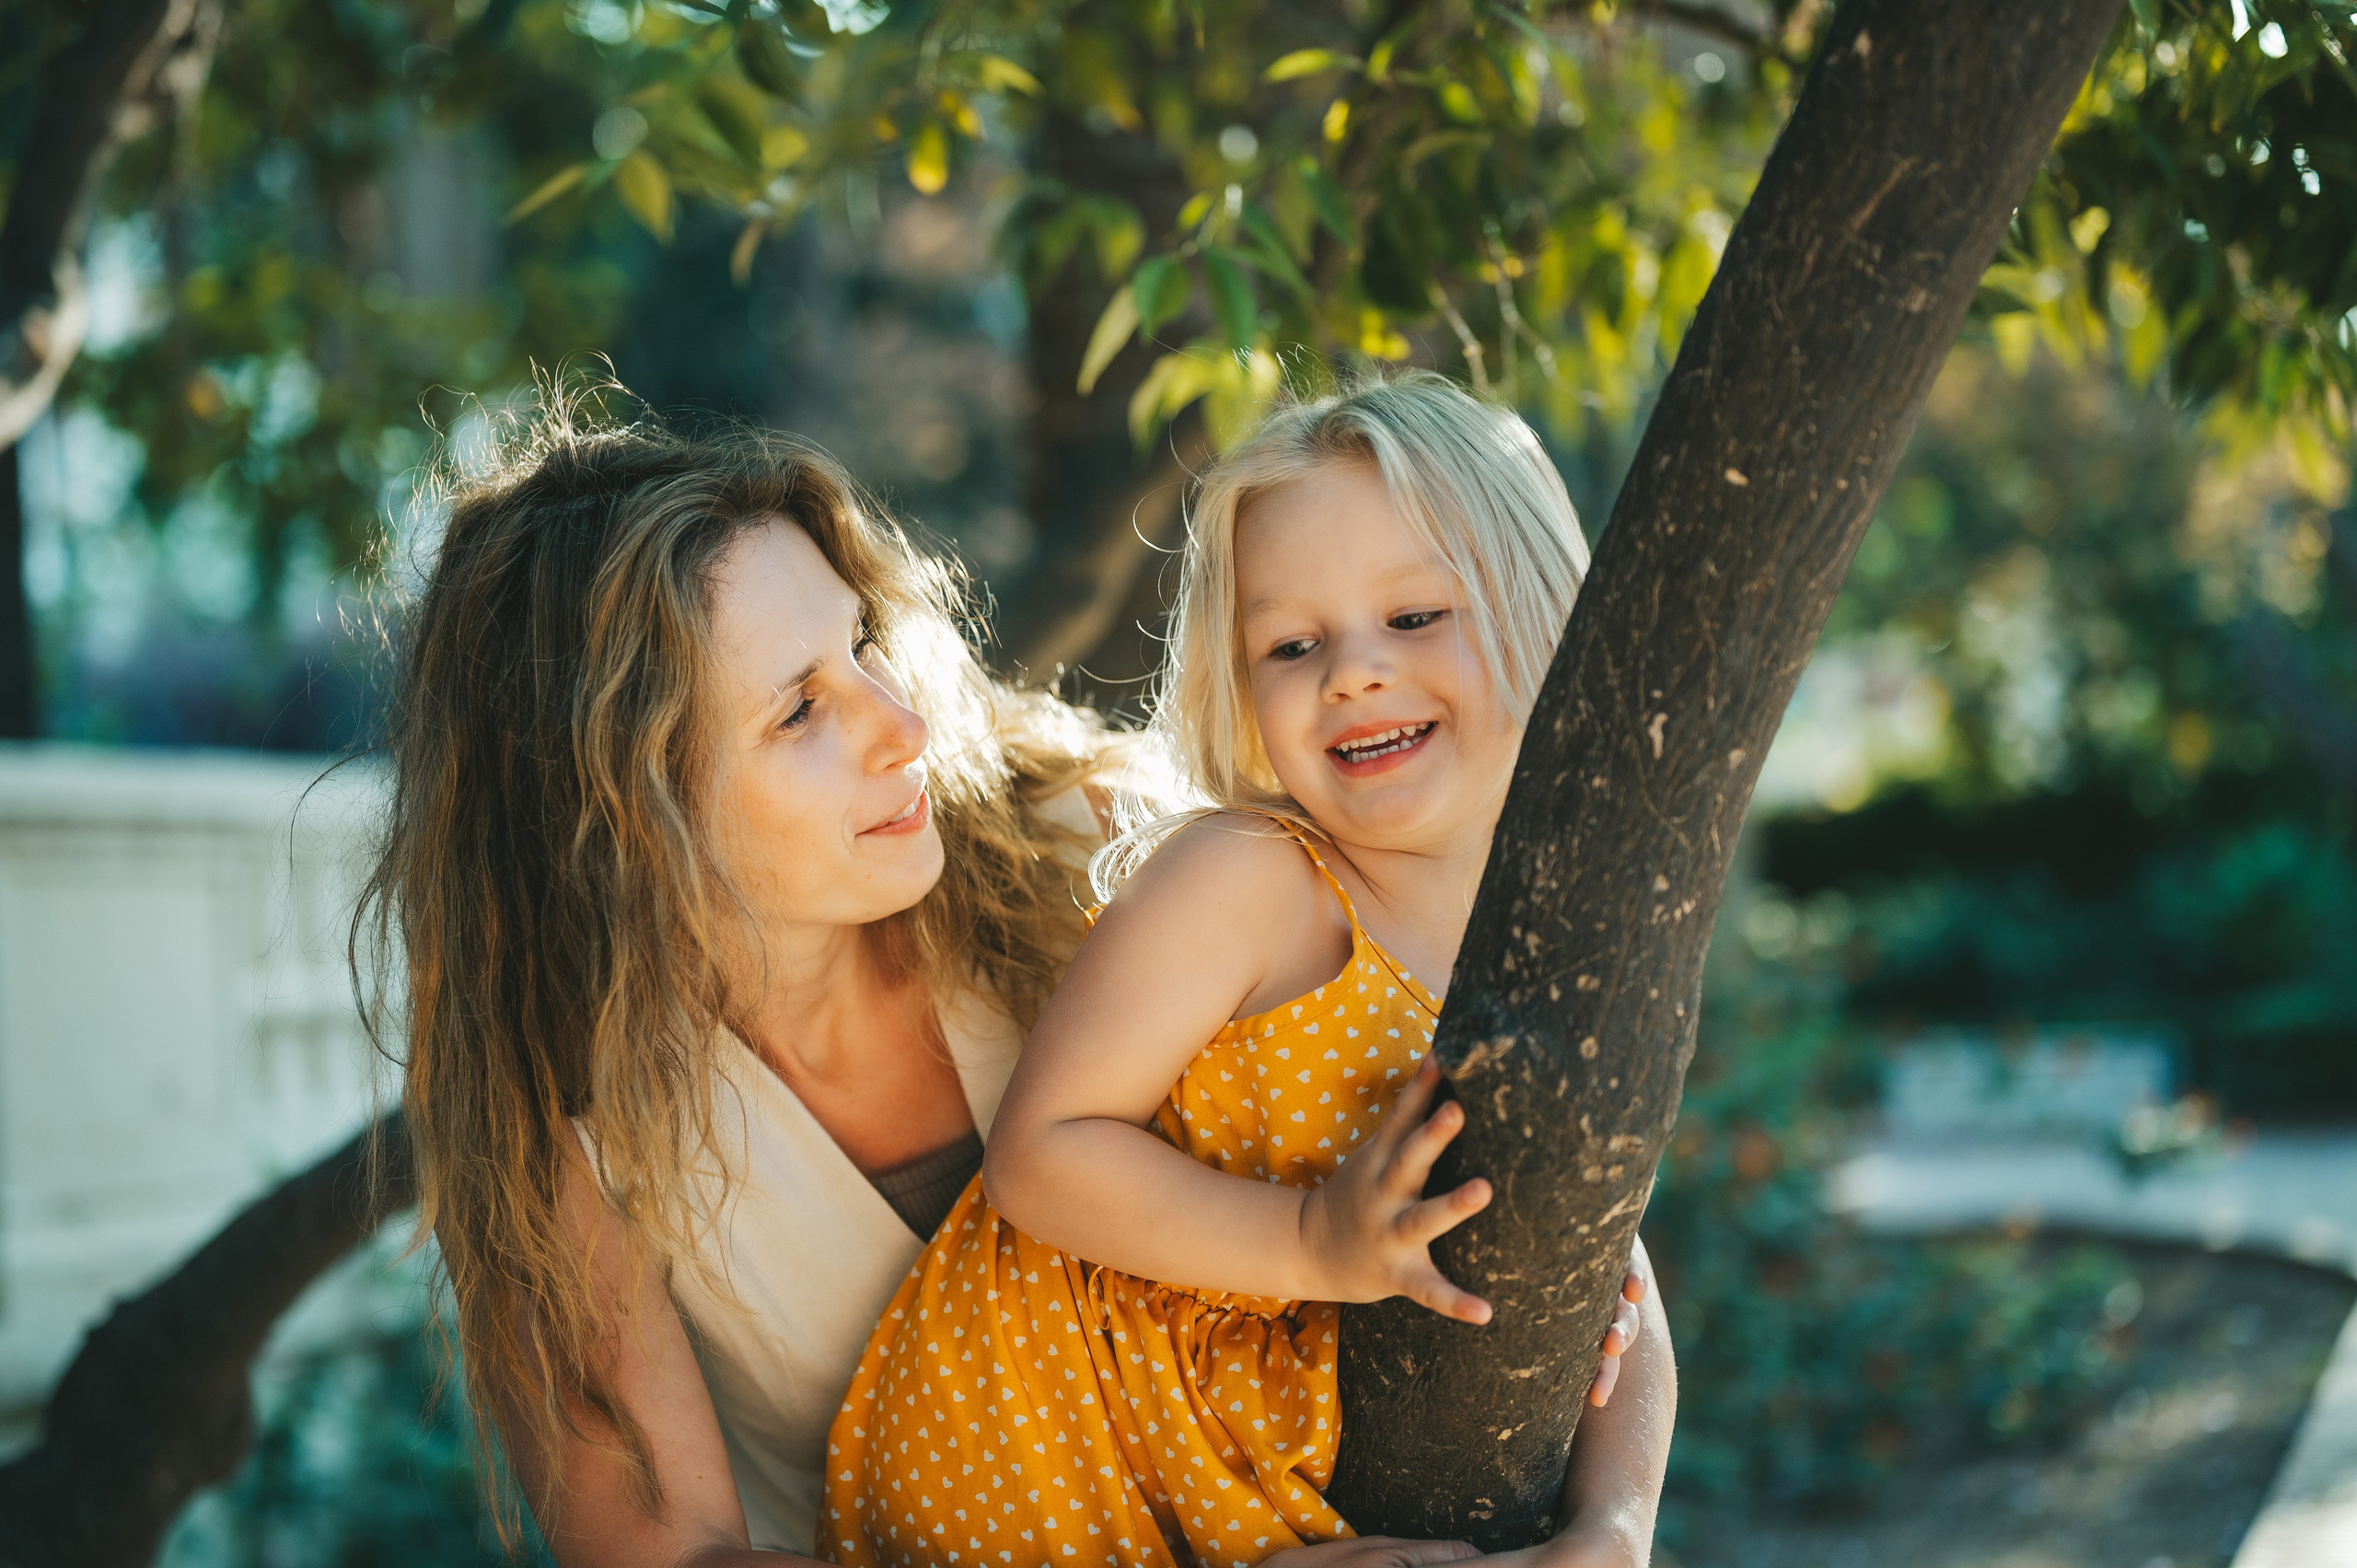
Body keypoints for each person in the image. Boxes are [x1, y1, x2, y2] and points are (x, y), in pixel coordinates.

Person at [359, 388, 1668, 1568]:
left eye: (864, 645)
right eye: (801, 710)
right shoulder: (566, 1145)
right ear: (618, 817)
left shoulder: (1095, 850)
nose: (904, 724)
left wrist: (1613, 1524)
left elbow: (1526, 1190)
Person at [822, 374, 1669, 1568]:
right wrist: (1316, 1241)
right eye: (1293, 644)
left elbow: (1613, 1258)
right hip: (1038, 1448)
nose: (1352, 672)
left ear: (1546, 613)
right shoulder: (1255, 879)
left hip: (1246, 1473)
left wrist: (1616, 1524)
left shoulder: (1571, 937)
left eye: (1414, 616)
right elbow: (1040, 1154)